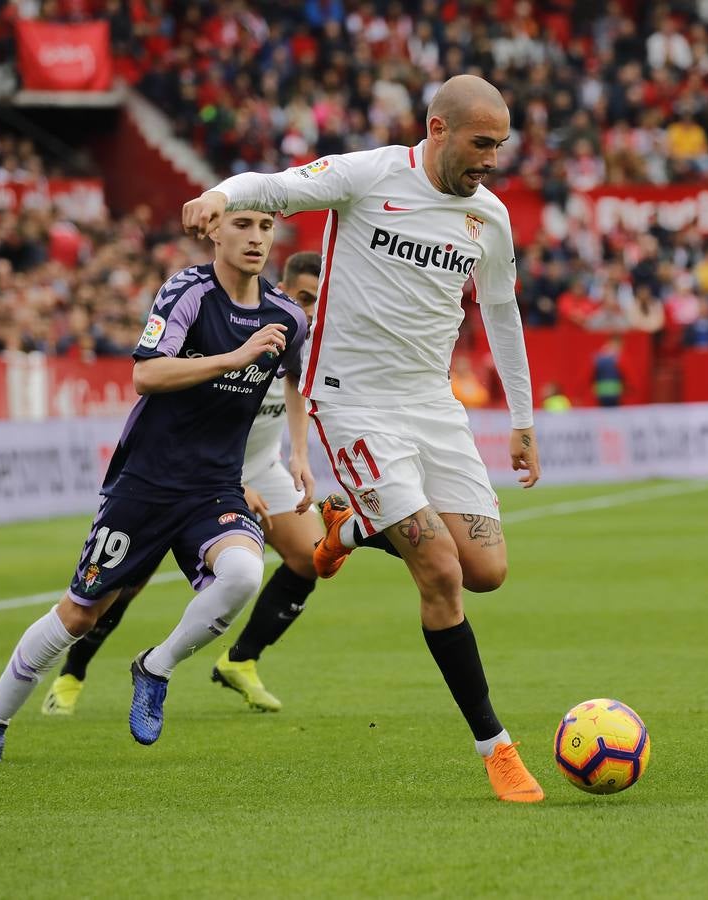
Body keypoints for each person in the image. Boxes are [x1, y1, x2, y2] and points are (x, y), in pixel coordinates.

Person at [182, 74, 544, 803]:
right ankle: (496, 748)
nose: (492, 161)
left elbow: (502, 315)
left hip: (432, 406)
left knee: (488, 570)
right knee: (439, 569)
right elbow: (275, 187)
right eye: (481, 145)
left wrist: (524, 419)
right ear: (438, 130)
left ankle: (348, 528)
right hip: (353, 403)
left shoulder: (490, 218)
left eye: (500, 147)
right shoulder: (370, 175)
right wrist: (225, 193)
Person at [0, 209, 312, 762]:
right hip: (145, 483)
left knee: (244, 572)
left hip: (214, 487)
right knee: (79, 614)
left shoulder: (287, 314)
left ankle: (155, 666)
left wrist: (299, 451)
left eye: (266, 227)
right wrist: (236, 356)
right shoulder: (188, 292)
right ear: (215, 231)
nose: (256, 237)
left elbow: (295, 377)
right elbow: (146, 373)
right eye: (243, 224)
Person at [40, 252, 324, 716]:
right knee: (123, 583)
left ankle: (241, 661)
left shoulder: (293, 335)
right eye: (303, 298)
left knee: (312, 557)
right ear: (283, 288)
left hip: (259, 471)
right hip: (203, 473)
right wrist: (232, 483)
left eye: (318, 301)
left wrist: (298, 453)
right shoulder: (244, 333)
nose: (309, 310)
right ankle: (73, 672)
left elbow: (295, 383)